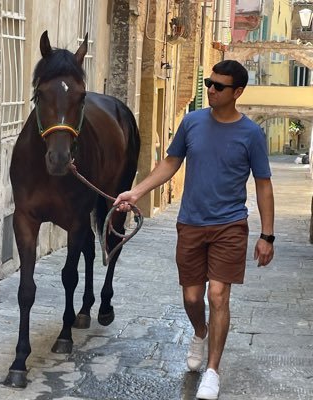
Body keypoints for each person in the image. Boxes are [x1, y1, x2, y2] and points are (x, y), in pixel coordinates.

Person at [114, 60, 274, 400]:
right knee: (191, 297)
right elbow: (171, 162)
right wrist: (137, 192)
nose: (211, 90)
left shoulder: (252, 134)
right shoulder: (192, 122)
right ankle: (200, 332)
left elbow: (263, 184)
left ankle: (212, 372)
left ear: (238, 92)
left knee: (218, 295)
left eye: (219, 86)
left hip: (230, 225)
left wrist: (267, 235)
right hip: (191, 223)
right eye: (209, 83)